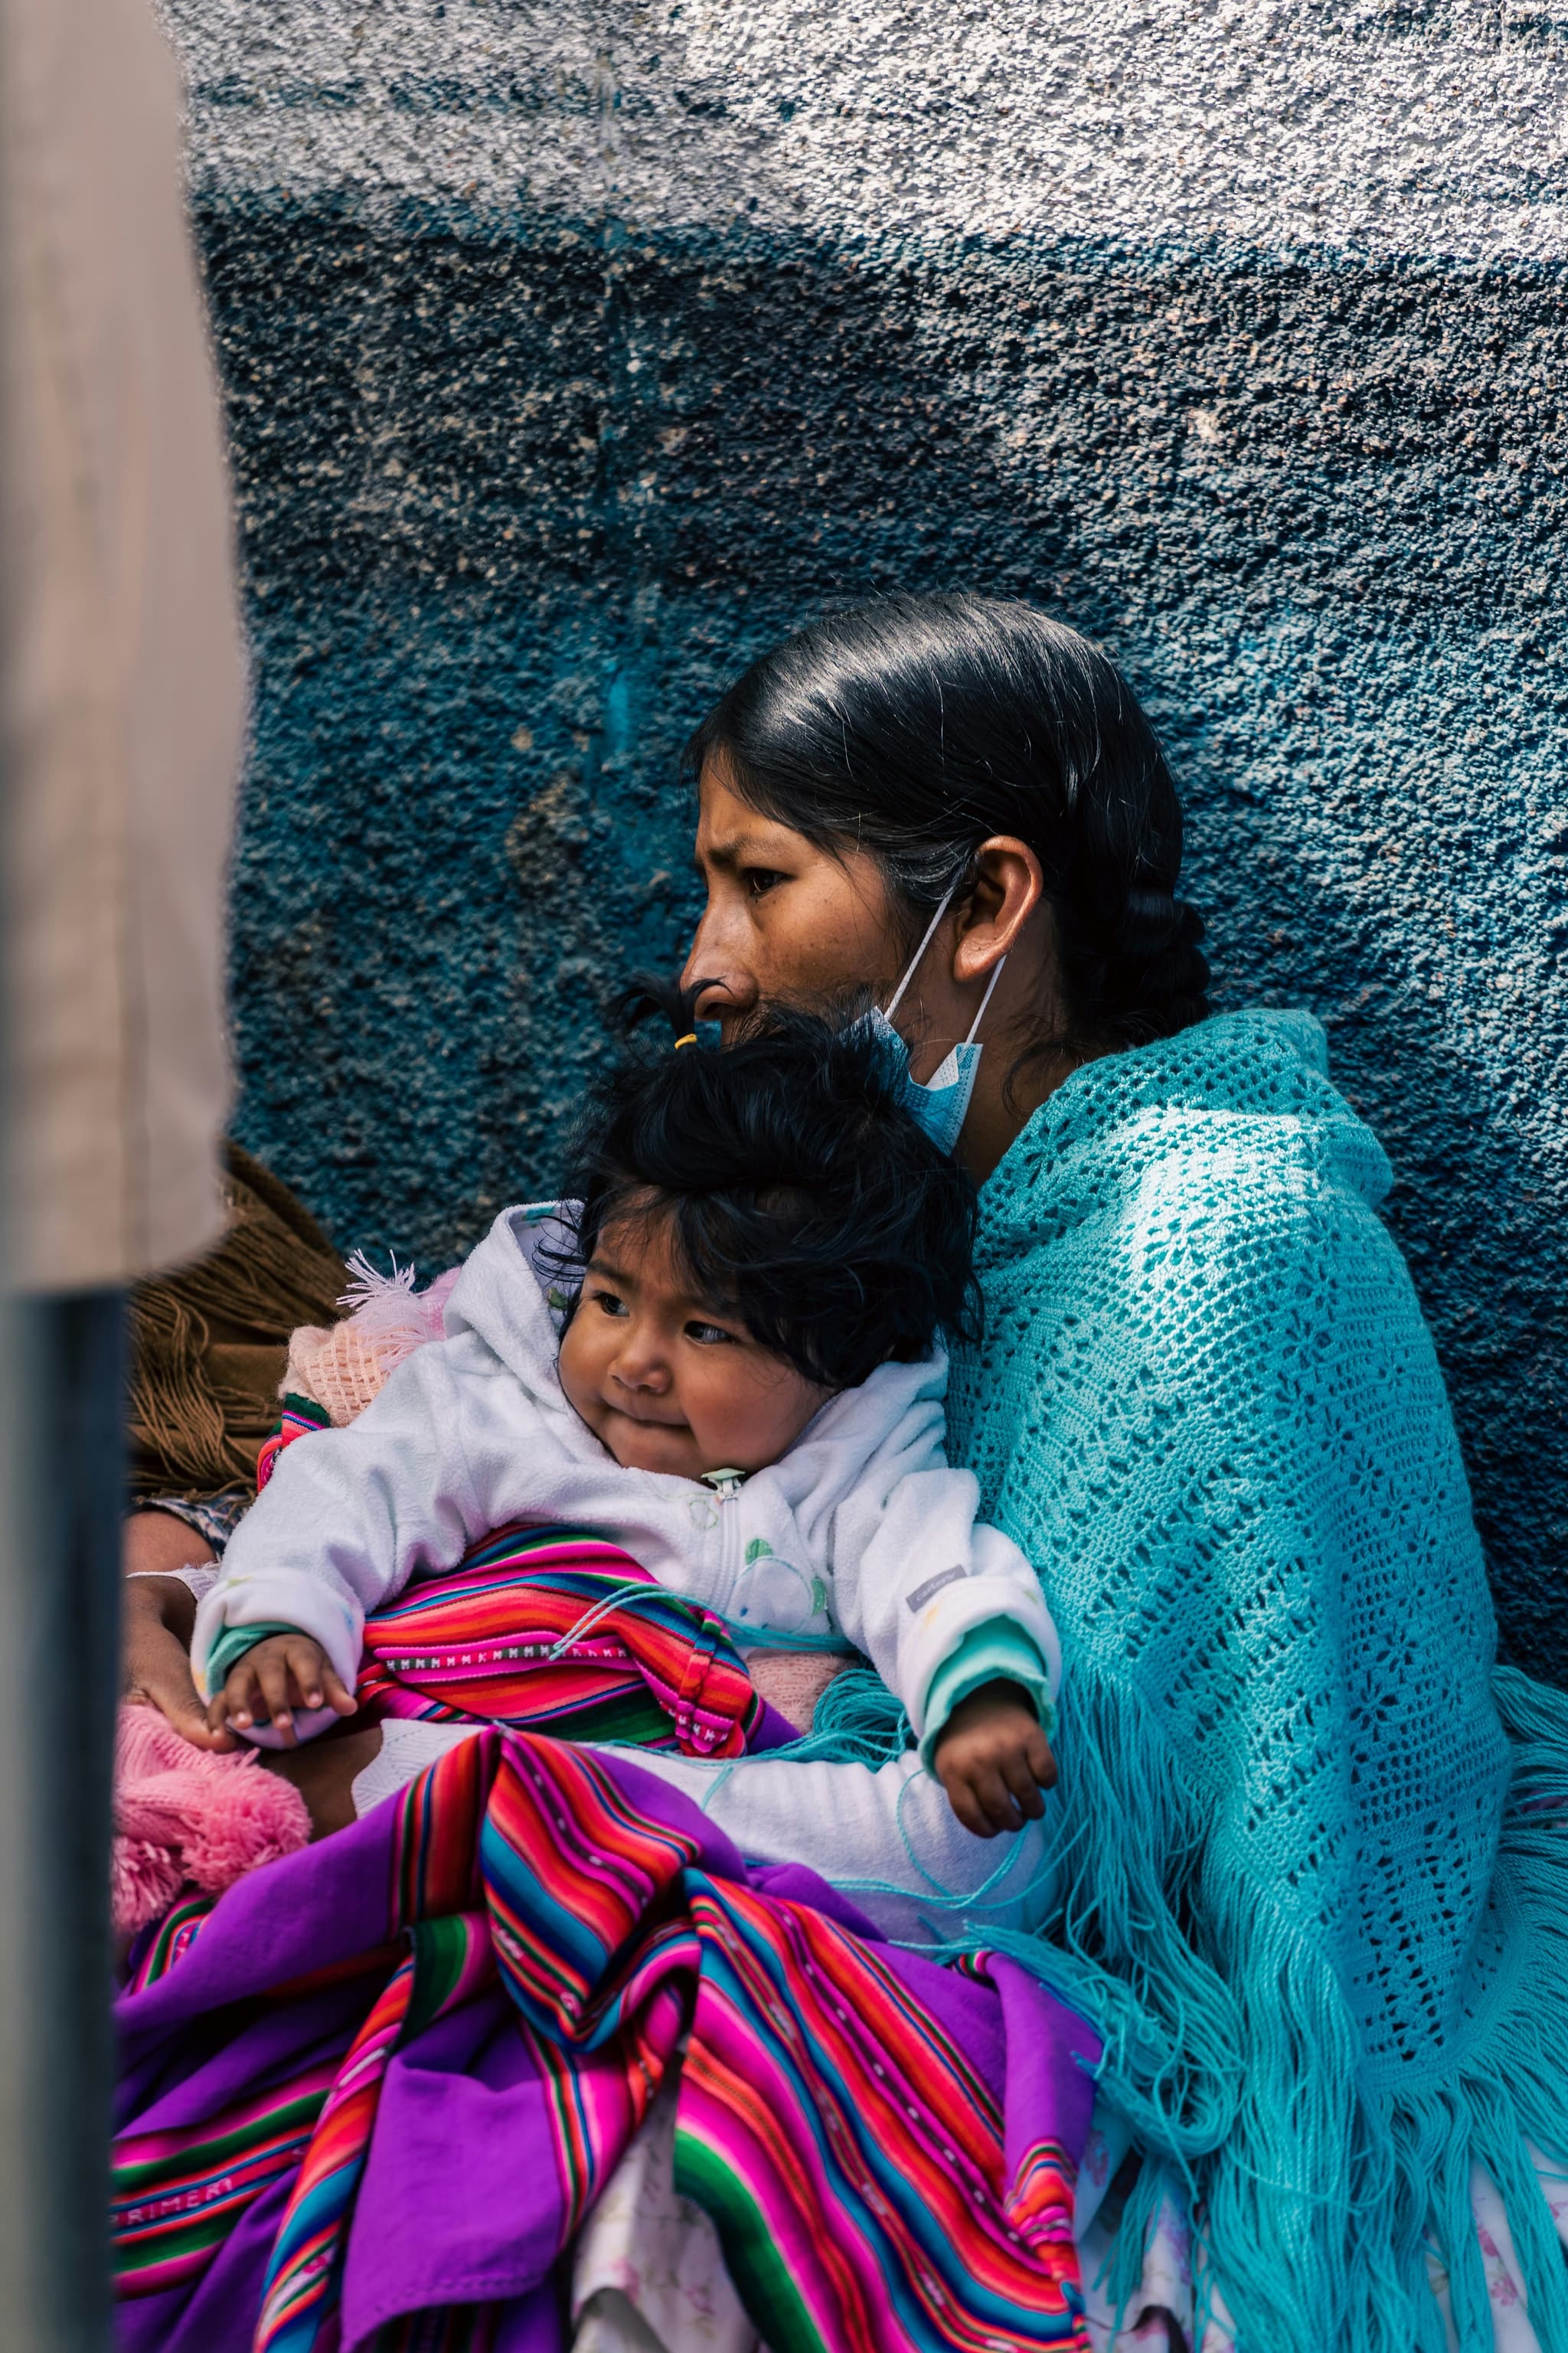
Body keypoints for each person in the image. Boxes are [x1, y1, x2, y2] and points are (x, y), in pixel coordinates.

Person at [665, 591, 1568, 2351]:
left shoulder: (1219, 1255)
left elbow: (1162, 1829)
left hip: (1275, 2018)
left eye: (758, 883)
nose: (706, 962)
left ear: (987, 906)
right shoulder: (968, 1242)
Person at [187, 1008, 1063, 1855]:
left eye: (706, 1331)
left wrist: (977, 1692)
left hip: (663, 1791)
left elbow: (936, 1570)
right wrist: (280, 1625)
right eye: (609, 1300)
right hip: (460, 1712)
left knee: (984, 1850)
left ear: (838, 1356)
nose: (634, 1362)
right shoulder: (499, 1400)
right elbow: (345, 1488)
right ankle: (459, 1803)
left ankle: (489, 1810)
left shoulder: (853, 1467)